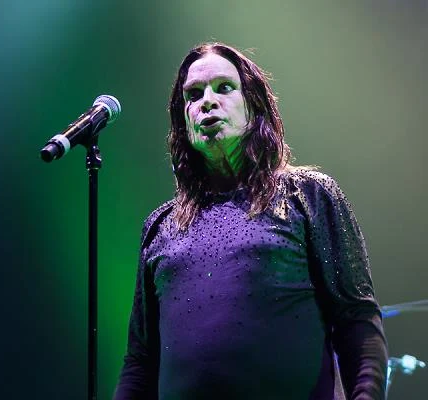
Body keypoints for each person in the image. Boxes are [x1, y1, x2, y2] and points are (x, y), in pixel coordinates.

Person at [113, 42, 388, 400]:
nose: (207, 101)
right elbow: (140, 361)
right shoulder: (161, 226)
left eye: (224, 87)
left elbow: (357, 321)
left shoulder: (307, 195)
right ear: (183, 121)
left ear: (253, 105)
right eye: (193, 95)